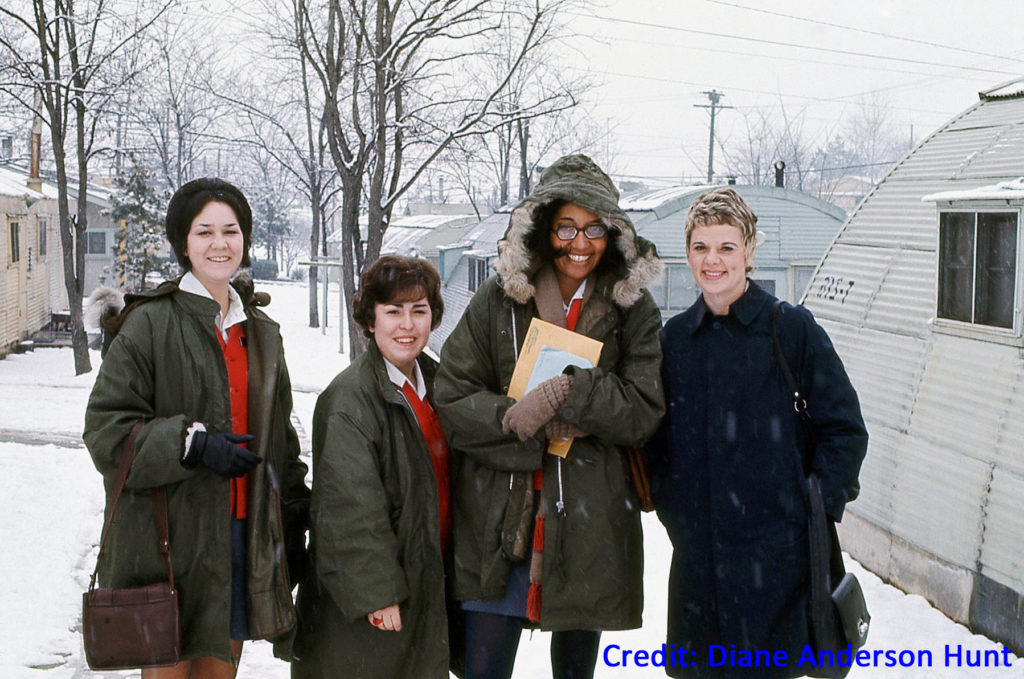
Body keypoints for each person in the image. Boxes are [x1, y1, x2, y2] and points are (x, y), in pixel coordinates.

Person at [434, 154, 665, 679]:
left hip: (590, 522)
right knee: (484, 667)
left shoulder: (633, 310)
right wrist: (517, 419)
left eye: (594, 229)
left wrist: (573, 392)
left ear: (615, 235)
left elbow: (644, 410)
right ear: (541, 227)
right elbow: (452, 395)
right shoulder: (498, 300)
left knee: (575, 672)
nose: (580, 244)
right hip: (499, 517)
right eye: (566, 227)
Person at [83, 178, 310, 678]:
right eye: (204, 231)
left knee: (218, 673)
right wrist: (191, 444)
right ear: (183, 242)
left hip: (238, 536)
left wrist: (293, 520)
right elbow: (105, 431)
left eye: (230, 231)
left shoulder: (262, 333)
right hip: (170, 542)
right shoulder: (149, 323)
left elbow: (282, 444)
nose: (219, 243)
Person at [647, 187, 869, 678]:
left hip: (777, 571)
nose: (713, 260)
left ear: (749, 251)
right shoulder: (674, 341)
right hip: (698, 572)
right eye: (701, 247)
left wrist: (809, 506)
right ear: (687, 252)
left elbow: (845, 431)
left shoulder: (790, 330)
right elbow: (654, 444)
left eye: (727, 247)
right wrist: (678, 512)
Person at [291, 255, 454, 679]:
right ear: (370, 319)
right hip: (373, 596)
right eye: (393, 311)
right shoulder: (350, 401)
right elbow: (348, 509)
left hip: (422, 577)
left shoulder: (438, 385)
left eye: (419, 311)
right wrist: (377, 593)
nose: (407, 324)